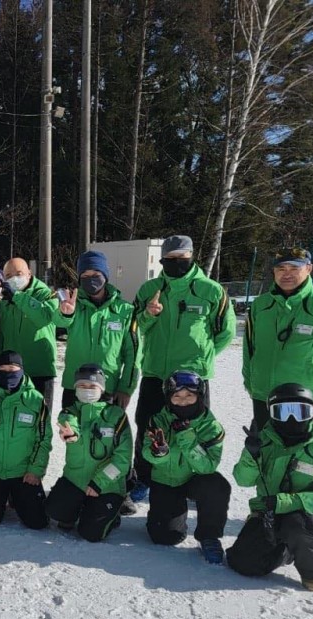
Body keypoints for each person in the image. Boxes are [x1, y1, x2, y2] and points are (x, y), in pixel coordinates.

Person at [131, 235, 235, 502]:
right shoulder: (148, 290)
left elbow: (225, 332)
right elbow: (134, 330)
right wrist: (148, 315)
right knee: (147, 427)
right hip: (156, 373)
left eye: (182, 258)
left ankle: (193, 481)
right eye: (171, 259)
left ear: (191, 257)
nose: (176, 263)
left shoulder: (211, 291)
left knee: (195, 429)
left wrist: (201, 358)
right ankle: (144, 477)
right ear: (163, 260)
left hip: (193, 379)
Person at [228, 384, 313, 591]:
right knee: (241, 563)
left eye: (300, 412)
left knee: (295, 524)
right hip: (269, 510)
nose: (292, 420)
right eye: (283, 412)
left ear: (312, 412)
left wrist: (286, 502)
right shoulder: (265, 441)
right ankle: (284, 550)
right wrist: (251, 455)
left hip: (308, 514)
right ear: (272, 414)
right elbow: (243, 480)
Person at [243, 246, 313, 428]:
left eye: (294, 269)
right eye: (281, 269)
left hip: (307, 396)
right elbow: (249, 347)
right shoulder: (261, 304)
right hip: (264, 393)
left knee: (307, 454)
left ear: (309, 269)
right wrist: (251, 382)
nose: (286, 274)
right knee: (263, 450)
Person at [141, 371, 230, 564]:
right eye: (177, 396)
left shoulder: (211, 426)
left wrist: (187, 438)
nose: (183, 402)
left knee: (217, 485)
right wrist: (159, 453)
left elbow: (208, 466)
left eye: (189, 396)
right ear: (168, 398)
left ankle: (209, 536)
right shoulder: (158, 420)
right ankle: (175, 511)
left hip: (194, 479)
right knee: (165, 537)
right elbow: (147, 453)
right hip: (166, 480)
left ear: (199, 396)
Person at [46, 364, 132, 542]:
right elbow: (69, 422)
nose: (87, 391)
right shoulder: (70, 412)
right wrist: (72, 434)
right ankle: (75, 510)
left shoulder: (117, 416)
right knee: (54, 510)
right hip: (76, 480)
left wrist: (99, 482)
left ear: (101, 389)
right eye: (82, 386)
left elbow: (122, 460)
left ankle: (112, 515)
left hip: (107, 485)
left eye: (92, 386)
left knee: (91, 534)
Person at [0, 351, 52, 529]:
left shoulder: (36, 400)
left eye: (13, 369)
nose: (8, 373)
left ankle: (17, 497)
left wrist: (35, 470)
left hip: (23, 472)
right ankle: (4, 496)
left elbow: (44, 438)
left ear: (21, 370)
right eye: (2, 369)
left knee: (37, 522)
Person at [53, 250, 139, 410]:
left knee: (105, 434)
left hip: (108, 387)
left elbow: (133, 355)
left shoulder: (125, 311)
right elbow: (57, 323)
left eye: (95, 273)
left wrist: (126, 388)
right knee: (71, 433)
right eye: (85, 275)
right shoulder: (72, 305)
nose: (90, 278)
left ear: (105, 275)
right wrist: (66, 314)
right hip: (75, 387)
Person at [0, 258, 60, 407]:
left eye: (19, 273)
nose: (14, 278)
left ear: (29, 274)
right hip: (9, 370)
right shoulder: (3, 300)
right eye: (9, 276)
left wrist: (17, 297)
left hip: (38, 370)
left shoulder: (45, 294)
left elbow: (44, 317)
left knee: (39, 420)